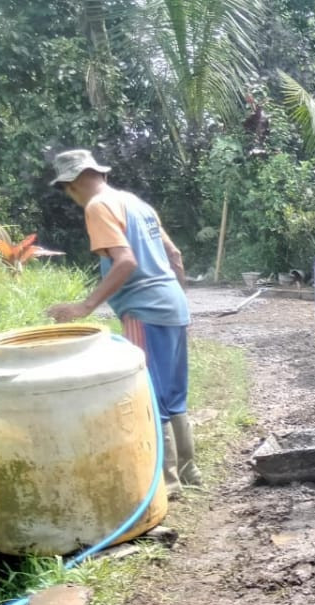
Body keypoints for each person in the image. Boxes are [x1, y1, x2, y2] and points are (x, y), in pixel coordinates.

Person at [46, 149, 198, 498]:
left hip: (144, 310)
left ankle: (168, 483)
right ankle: (190, 473)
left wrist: (85, 306)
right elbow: (175, 256)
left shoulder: (98, 207)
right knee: (174, 393)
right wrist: (178, 298)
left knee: (149, 393)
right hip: (172, 306)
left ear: (72, 184)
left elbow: (125, 261)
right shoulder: (135, 203)